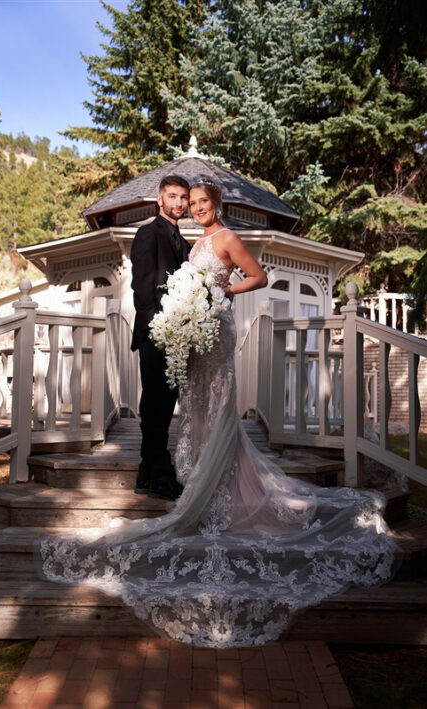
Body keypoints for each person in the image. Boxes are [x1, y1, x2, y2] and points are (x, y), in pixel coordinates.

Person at [40, 178, 400, 648]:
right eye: (190, 202)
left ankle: (224, 486)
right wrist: (177, 318)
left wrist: (225, 294)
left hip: (215, 331)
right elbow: (160, 285)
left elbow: (258, 277)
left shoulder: (224, 237)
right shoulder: (188, 241)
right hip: (190, 336)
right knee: (196, 408)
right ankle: (198, 479)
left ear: (217, 204)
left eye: (200, 201)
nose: (194, 207)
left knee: (217, 403)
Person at [130, 174, 192, 501]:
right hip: (156, 333)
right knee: (155, 405)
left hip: (175, 336)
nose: (179, 203)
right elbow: (141, 287)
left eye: (184, 197)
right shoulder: (148, 233)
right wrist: (158, 329)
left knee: (163, 405)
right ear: (160, 199)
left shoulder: (183, 241)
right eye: (173, 196)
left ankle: (146, 470)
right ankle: (160, 474)